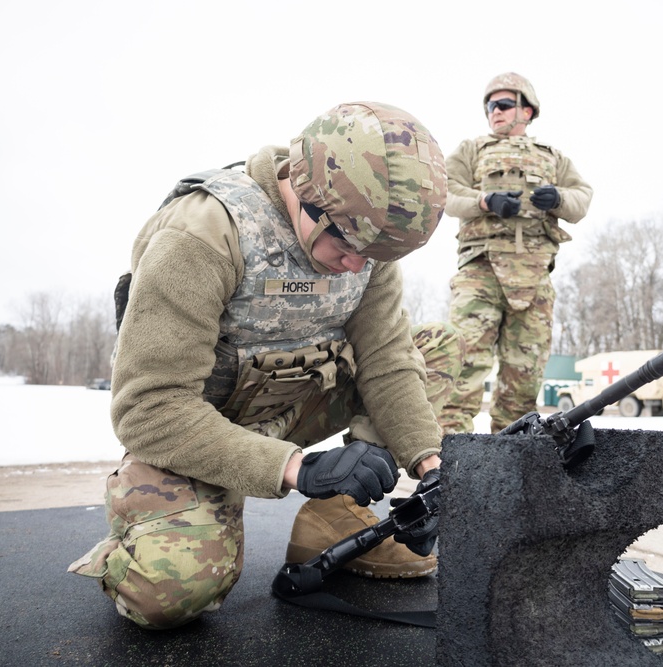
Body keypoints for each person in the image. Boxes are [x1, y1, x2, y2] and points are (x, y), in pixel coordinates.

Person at [68, 102, 462, 630]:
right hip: (196, 429)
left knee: (434, 348)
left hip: (297, 400)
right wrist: (297, 468)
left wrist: (434, 471)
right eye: (346, 246)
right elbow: (148, 408)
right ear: (306, 193)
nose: (356, 266)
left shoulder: (364, 245)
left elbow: (387, 361)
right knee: (168, 595)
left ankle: (333, 516)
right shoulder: (203, 234)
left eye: (375, 256)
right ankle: (141, 518)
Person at [439, 72, 593, 434]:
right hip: (481, 272)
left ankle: (511, 462)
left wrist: (558, 198)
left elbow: (582, 197)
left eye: (504, 104)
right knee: (463, 367)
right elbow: (443, 192)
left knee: (524, 376)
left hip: (534, 276)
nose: (495, 111)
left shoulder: (553, 157)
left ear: (527, 110)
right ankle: (450, 461)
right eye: (490, 105)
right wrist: (484, 200)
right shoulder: (472, 150)